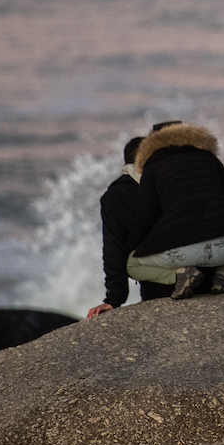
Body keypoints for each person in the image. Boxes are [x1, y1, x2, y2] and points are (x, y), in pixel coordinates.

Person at [126, 121, 224, 302]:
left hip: (183, 254)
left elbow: (147, 218)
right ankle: (223, 274)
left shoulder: (153, 167)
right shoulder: (211, 160)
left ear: (151, 142)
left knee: (132, 263)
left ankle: (181, 276)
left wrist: (133, 245)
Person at [85, 135, 153, 320]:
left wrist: (114, 299)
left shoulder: (115, 196)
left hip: (156, 280)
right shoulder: (170, 183)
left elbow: (114, 247)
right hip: (203, 266)